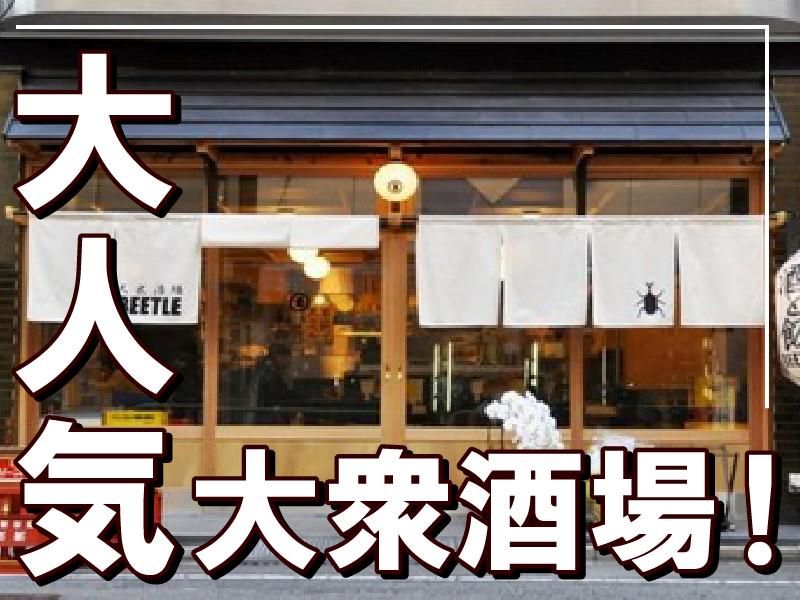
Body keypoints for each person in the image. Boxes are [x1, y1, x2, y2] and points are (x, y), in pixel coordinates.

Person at [253, 343, 294, 423]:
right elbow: (278, 397)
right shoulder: (270, 376)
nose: (289, 363)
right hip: (270, 419)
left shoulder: (267, 373)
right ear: (279, 358)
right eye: (287, 359)